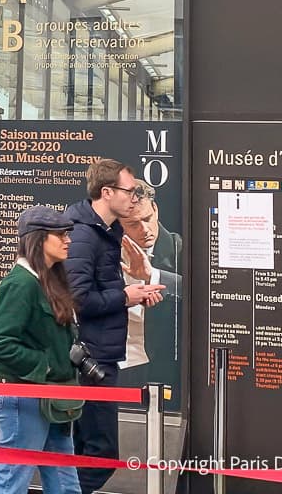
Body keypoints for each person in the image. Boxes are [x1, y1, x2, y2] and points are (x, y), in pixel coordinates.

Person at [64, 159, 165, 494]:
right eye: (129, 191)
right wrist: (125, 296)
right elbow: (79, 299)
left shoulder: (108, 232)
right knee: (101, 453)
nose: (134, 197)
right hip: (90, 358)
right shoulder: (83, 234)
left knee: (86, 450)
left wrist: (136, 293)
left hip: (101, 353)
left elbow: (101, 292)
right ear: (106, 193)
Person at [0, 206, 81, 494]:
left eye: (68, 233)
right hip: (23, 397)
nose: (68, 240)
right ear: (38, 239)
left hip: (51, 398)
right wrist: (48, 365)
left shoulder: (46, 280)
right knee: (10, 485)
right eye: (60, 234)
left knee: (66, 486)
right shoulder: (22, 283)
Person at [118, 191, 182, 390]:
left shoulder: (180, 249)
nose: (144, 229)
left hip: (158, 367)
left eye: (147, 219)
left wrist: (152, 276)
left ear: (156, 210)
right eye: (133, 224)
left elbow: (203, 293)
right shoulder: (102, 254)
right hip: (111, 364)